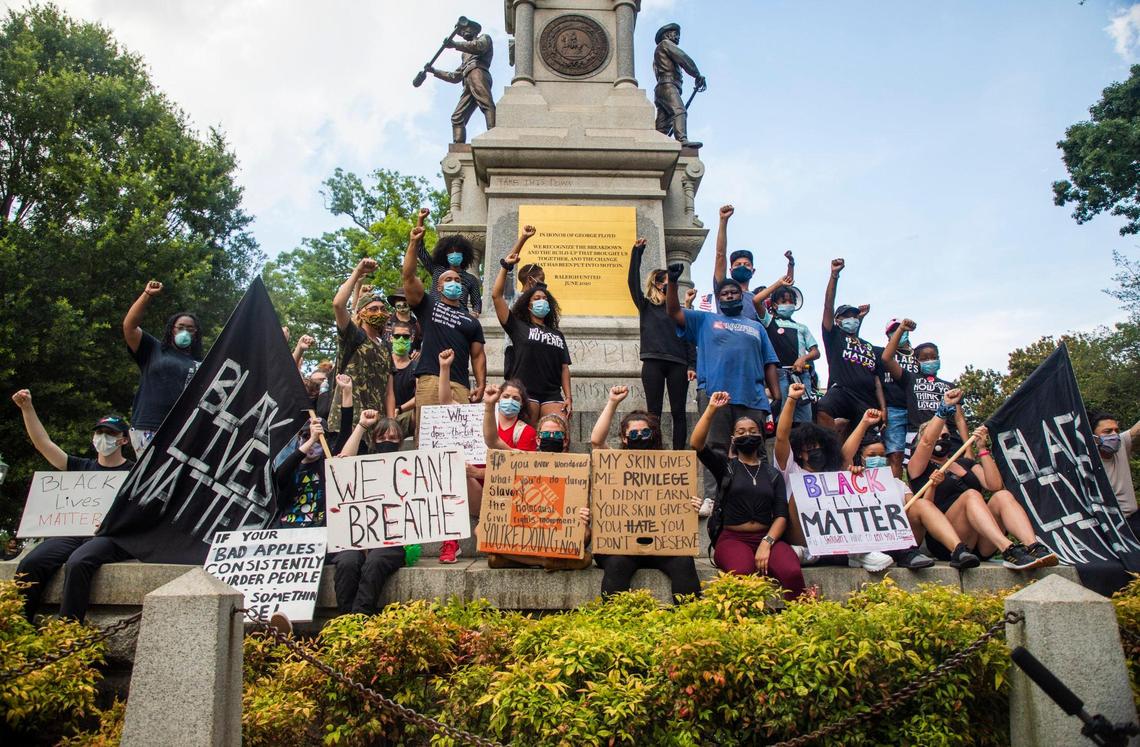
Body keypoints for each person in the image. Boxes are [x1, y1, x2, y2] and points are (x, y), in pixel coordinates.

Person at [666, 262, 781, 525]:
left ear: (742, 297)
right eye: (724, 294)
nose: (729, 296)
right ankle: (712, 497)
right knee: (714, 446)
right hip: (716, 394)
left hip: (752, 395)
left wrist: (776, 392)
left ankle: (762, 495)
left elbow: (769, 360)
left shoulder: (756, 327)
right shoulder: (706, 320)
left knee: (757, 448)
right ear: (718, 300)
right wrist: (673, 283)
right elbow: (673, 312)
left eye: (734, 293)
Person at [11, 390, 133, 621]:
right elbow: (42, 443)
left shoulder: (135, 472)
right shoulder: (79, 466)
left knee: (79, 562)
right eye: (99, 432)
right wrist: (27, 409)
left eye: (110, 433)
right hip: (72, 532)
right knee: (32, 562)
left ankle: (67, 630)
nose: (103, 437)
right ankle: (17, 625)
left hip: (108, 537)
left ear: (123, 440)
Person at [907, 390, 1057, 570]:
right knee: (971, 495)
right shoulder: (918, 468)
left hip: (982, 540)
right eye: (938, 435)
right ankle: (1008, 549)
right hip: (950, 540)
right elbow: (926, 442)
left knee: (1003, 496)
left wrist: (982, 448)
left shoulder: (965, 463)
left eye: (946, 436)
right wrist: (944, 409)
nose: (942, 439)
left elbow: (994, 485)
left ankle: (1033, 546)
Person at [588, 385, 703, 603]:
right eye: (633, 433)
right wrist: (613, 402)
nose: (639, 436)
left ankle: (691, 621)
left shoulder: (671, 467)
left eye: (645, 432)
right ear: (624, 438)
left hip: (662, 543)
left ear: (654, 434)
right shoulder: (613, 463)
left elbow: (677, 503)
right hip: (621, 544)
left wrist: (690, 505)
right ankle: (615, 623)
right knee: (616, 564)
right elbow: (596, 441)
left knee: (684, 562)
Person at [690, 390, 805, 599]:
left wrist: (767, 542)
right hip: (732, 538)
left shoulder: (772, 474)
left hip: (767, 536)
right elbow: (697, 444)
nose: (747, 435)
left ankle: (796, 617)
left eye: (752, 431)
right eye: (741, 432)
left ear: (760, 436)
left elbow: (781, 514)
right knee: (743, 572)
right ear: (733, 439)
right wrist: (712, 408)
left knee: (792, 572)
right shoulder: (725, 467)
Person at [773, 382, 895, 572]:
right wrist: (791, 400)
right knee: (800, 493)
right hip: (799, 534)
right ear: (799, 452)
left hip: (831, 533)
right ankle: (820, 551)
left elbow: (845, 455)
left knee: (848, 487)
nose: (817, 452)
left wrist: (863, 423)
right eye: (811, 448)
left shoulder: (830, 472)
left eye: (821, 448)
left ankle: (855, 551)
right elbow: (781, 437)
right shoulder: (790, 469)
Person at [842, 409, 981, 569]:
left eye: (882, 455)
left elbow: (923, 510)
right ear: (861, 458)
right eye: (872, 455)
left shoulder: (898, 484)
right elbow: (845, 456)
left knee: (920, 503)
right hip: (870, 541)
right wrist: (864, 423)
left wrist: (932, 487)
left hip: (901, 542)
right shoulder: (850, 480)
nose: (878, 459)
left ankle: (958, 550)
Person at [403, 224, 487, 435]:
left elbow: (477, 356)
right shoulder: (428, 304)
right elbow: (409, 276)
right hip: (430, 379)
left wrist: (481, 383)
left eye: (458, 280)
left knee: (459, 441)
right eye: (448, 280)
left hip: (460, 384)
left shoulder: (471, 322)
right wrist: (414, 243)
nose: (454, 282)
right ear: (438, 287)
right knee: (428, 439)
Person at [494, 226, 573, 423]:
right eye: (540, 284)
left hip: (549, 386)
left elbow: (564, 366)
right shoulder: (515, 300)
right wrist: (522, 239)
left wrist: (568, 395)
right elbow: (498, 291)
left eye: (544, 294)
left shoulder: (556, 333)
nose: (542, 293)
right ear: (530, 281)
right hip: (517, 355)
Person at [628, 238, 696, 450]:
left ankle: (678, 454)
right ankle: (654, 450)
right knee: (653, 412)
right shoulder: (646, 306)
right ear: (658, 284)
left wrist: (692, 365)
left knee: (678, 411)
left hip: (678, 363)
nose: (671, 284)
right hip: (653, 361)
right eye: (668, 280)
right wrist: (637, 252)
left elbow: (689, 337)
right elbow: (632, 281)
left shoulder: (680, 310)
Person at [122, 279, 202, 455]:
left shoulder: (200, 364)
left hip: (183, 431)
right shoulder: (154, 349)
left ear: (196, 334)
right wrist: (147, 295)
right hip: (149, 426)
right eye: (180, 327)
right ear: (171, 329)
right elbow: (129, 326)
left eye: (190, 329)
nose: (185, 332)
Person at [880, 319, 970, 469]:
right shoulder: (909, 379)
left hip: (949, 439)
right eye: (925, 358)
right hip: (918, 437)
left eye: (934, 357)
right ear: (916, 362)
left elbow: (960, 419)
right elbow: (886, 358)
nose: (930, 360)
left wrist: (968, 449)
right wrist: (901, 329)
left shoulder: (950, 387)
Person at [817, 258, 885, 435]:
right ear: (838, 321)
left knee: (866, 442)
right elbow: (828, 306)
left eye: (855, 316)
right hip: (843, 392)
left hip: (867, 399)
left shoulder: (870, 347)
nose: (852, 319)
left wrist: (883, 409)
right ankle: (832, 451)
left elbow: (877, 381)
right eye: (846, 316)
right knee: (821, 408)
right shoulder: (834, 337)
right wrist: (834, 275)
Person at [329, 260, 396, 435]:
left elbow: (389, 392)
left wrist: (391, 423)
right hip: (347, 422)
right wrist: (357, 272)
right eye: (373, 309)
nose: (379, 313)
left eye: (382, 309)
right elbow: (338, 304)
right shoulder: (352, 336)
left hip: (376, 427)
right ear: (361, 313)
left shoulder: (386, 347)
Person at [750, 271, 818, 425]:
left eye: (791, 301)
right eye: (783, 301)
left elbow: (815, 351)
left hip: (802, 374)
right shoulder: (769, 321)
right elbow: (756, 301)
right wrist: (779, 284)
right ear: (774, 305)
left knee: (804, 416)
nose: (788, 304)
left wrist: (803, 358)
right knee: (783, 416)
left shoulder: (802, 327)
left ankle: (802, 446)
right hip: (779, 374)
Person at [427, 17, 495, 144]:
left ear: (474, 29)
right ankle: (458, 147)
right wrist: (434, 71)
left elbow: (479, 47)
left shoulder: (484, 38)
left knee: (485, 103)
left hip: (478, 73)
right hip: (467, 79)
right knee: (457, 117)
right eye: (461, 32)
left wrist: (455, 45)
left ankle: (494, 132)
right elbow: (455, 76)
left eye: (465, 29)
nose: (463, 33)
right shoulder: (465, 54)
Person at [414, 207, 483, 316]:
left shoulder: (471, 279)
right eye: (451, 252)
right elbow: (419, 249)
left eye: (458, 252)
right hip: (436, 314)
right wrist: (420, 220)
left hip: (459, 317)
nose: (454, 254)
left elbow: (477, 303)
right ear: (445, 254)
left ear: (464, 255)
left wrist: (475, 313)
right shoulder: (437, 270)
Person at [652, 22, 705, 148]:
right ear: (667, 35)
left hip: (661, 88)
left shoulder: (658, 53)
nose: (678, 37)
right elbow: (682, 58)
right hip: (668, 86)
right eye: (675, 34)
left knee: (663, 125)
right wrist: (697, 75)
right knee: (679, 111)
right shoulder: (665, 44)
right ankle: (682, 140)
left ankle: (656, 145)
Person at [1090, 412, 1140, 535]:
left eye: (1116, 430)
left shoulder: (1122, 444)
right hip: (1108, 526)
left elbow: (1137, 430)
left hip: (1134, 520)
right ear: (1093, 437)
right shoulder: (1087, 460)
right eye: (1107, 431)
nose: (1114, 435)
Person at [481, 382, 539, 452]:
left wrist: (489, 405)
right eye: (506, 397)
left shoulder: (528, 432)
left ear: (522, 404)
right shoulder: (482, 424)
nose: (510, 401)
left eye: (516, 399)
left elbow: (523, 461)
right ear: (498, 399)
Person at [389, 319, 418, 440]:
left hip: (406, 415)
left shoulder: (417, 366)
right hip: (382, 414)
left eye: (405, 336)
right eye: (397, 336)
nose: (401, 339)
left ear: (411, 339)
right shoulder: (383, 362)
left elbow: (420, 395)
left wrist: (399, 410)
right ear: (391, 338)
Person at [384, 287, 422, 352]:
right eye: (399, 300)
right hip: (386, 359)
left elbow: (418, 346)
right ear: (394, 303)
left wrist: (419, 352)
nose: (402, 303)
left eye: (405, 299)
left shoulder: (417, 325)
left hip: (407, 360)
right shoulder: (385, 320)